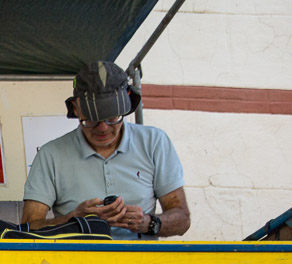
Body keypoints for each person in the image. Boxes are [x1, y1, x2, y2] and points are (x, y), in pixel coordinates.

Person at [23, 61, 190, 240]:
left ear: (126, 101)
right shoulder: (51, 155)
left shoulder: (154, 142)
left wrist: (148, 223)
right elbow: (29, 227)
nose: (103, 128)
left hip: (142, 263)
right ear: (75, 109)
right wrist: (74, 220)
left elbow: (182, 219)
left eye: (112, 118)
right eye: (91, 120)